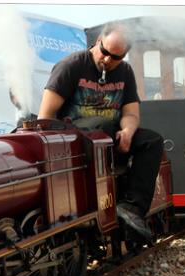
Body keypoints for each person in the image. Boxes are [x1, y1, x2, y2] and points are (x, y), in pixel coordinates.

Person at [38, 23, 164, 241]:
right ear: (98, 42)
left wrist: (127, 131)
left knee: (152, 141)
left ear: (124, 55)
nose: (107, 60)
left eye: (116, 57)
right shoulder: (72, 66)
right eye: (104, 52)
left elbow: (132, 113)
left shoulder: (125, 71)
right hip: (74, 138)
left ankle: (132, 208)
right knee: (102, 126)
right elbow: (45, 116)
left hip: (108, 135)